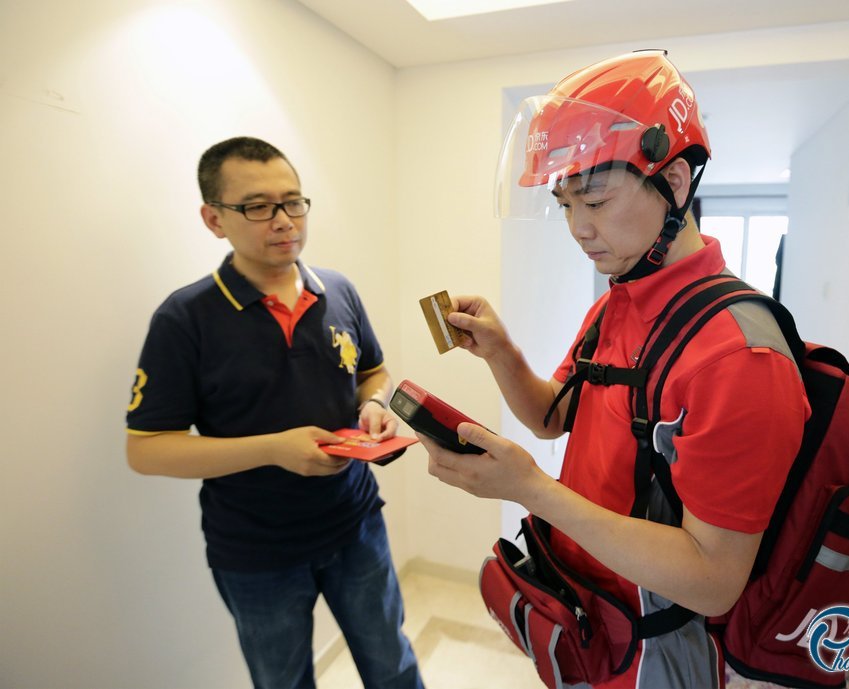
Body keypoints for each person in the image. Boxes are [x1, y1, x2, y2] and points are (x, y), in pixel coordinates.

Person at [417, 51, 810, 688]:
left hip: (656, 649)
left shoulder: (739, 357)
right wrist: (500, 351)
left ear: (675, 183)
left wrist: (531, 490)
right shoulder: (618, 301)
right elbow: (551, 417)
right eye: (566, 204)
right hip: (590, 617)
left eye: (596, 200)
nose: (578, 228)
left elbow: (713, 580)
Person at [125, 137, 423, 689]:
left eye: (293, 201)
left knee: (393, 665)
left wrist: (374, 405)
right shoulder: (184, 318)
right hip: (255, 549)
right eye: (258, 206)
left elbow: (373, 373)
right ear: (214, 219)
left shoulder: (338, 290)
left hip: (356, 522)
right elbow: (146, 449)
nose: (285, 220)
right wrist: (272, 449)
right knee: (282, 682)